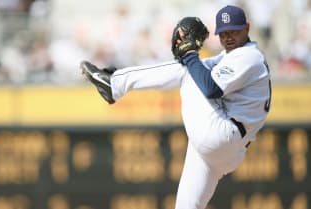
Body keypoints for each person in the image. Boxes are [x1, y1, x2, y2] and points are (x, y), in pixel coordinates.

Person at [81, 5, 271, 209]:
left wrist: (188, 54)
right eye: (223, 33)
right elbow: (203, 67)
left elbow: (210, 88)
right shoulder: (233, 56)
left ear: (247, 28)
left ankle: (115, 84)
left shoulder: (248, 57)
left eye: (234, 30)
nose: (228, 37)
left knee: (188, 72)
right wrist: (185, 55)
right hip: (228, 148)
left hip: (221, 133)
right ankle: (115, 82)